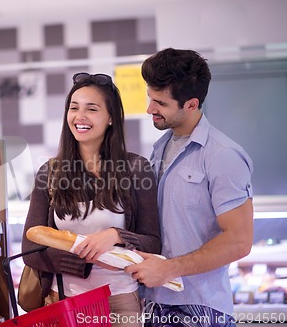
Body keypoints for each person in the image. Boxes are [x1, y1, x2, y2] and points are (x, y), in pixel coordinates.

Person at [124, 48, 254, 327]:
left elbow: (240, 241)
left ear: (191, 104)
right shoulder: (160, 149)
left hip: (201, 310)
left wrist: (168, 269)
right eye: (150, 98)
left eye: (160, 102)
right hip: (155, 304)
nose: (150, 109)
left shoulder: (223, 155)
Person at [22, 72, 161, 327]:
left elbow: (153, 243)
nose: (80, 116)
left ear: (110, 118)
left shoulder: (136, 168)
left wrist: (116, 236)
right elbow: (30, 248)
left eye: (92, 109)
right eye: (74, 108)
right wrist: (84, 259)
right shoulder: (49, 172)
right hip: (61, 301)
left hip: (119, 303)